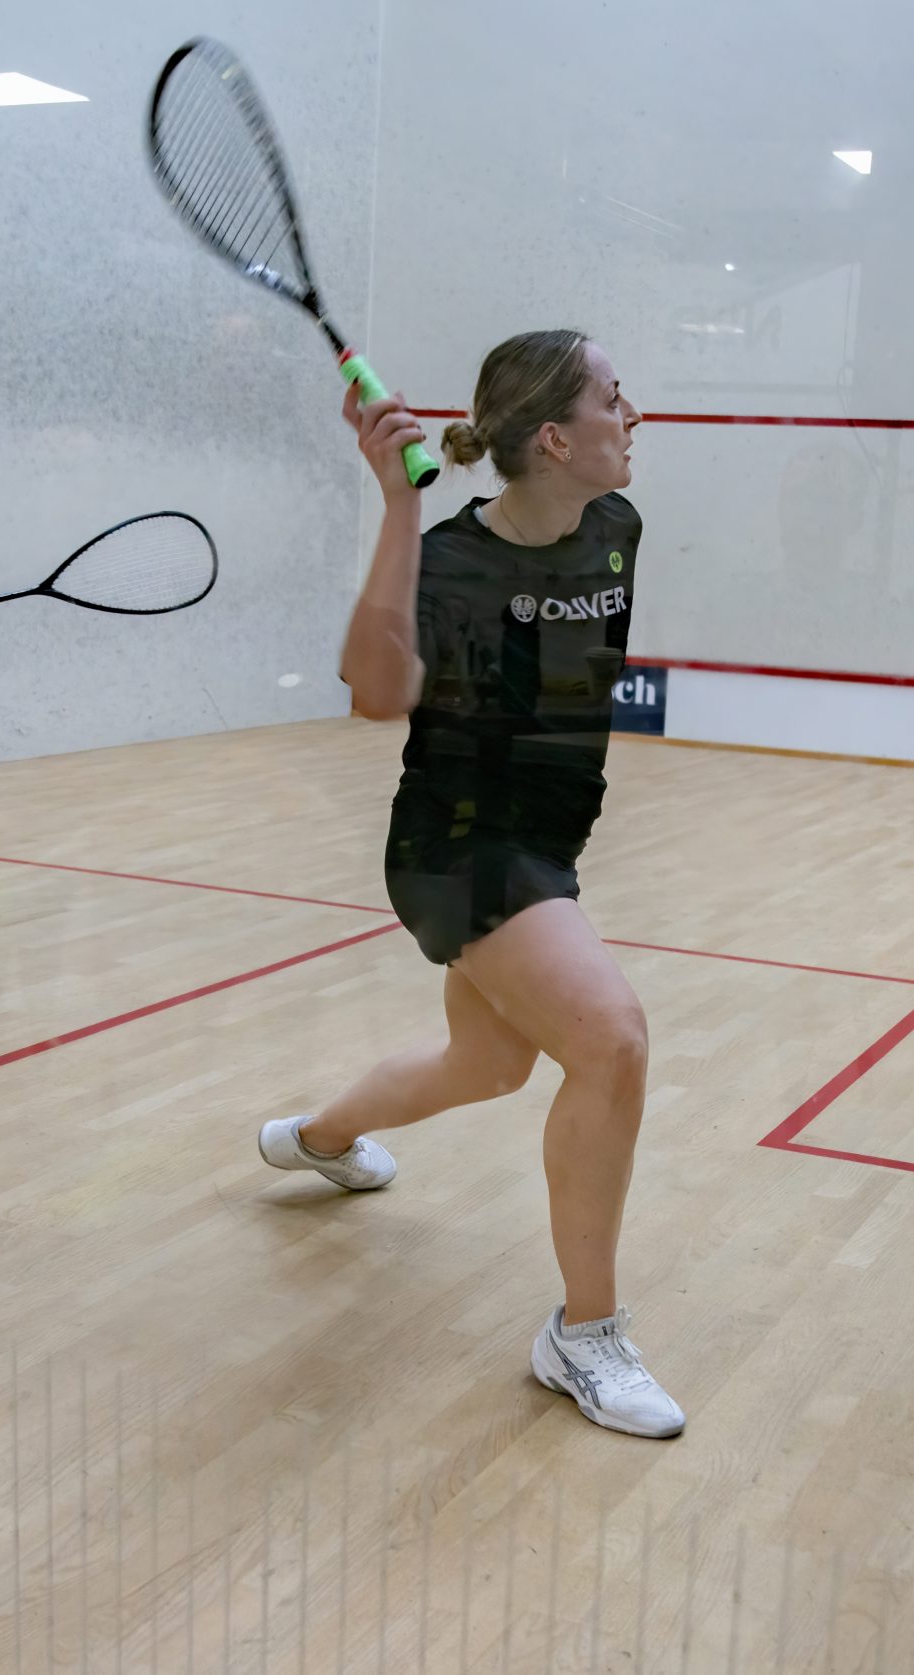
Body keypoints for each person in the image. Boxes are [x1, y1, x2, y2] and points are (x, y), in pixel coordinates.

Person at [257, 330, 683, 1439]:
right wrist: (399, 509)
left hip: (548, 844)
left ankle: (317, 1138)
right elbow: (375, 691)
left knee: (488, 1063)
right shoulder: (447, 560)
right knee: (611, 1042)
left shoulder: (617, 527)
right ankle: (584, 1334)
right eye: (612, 397)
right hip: (457, 846)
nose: (632, 412)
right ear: (555, 438)